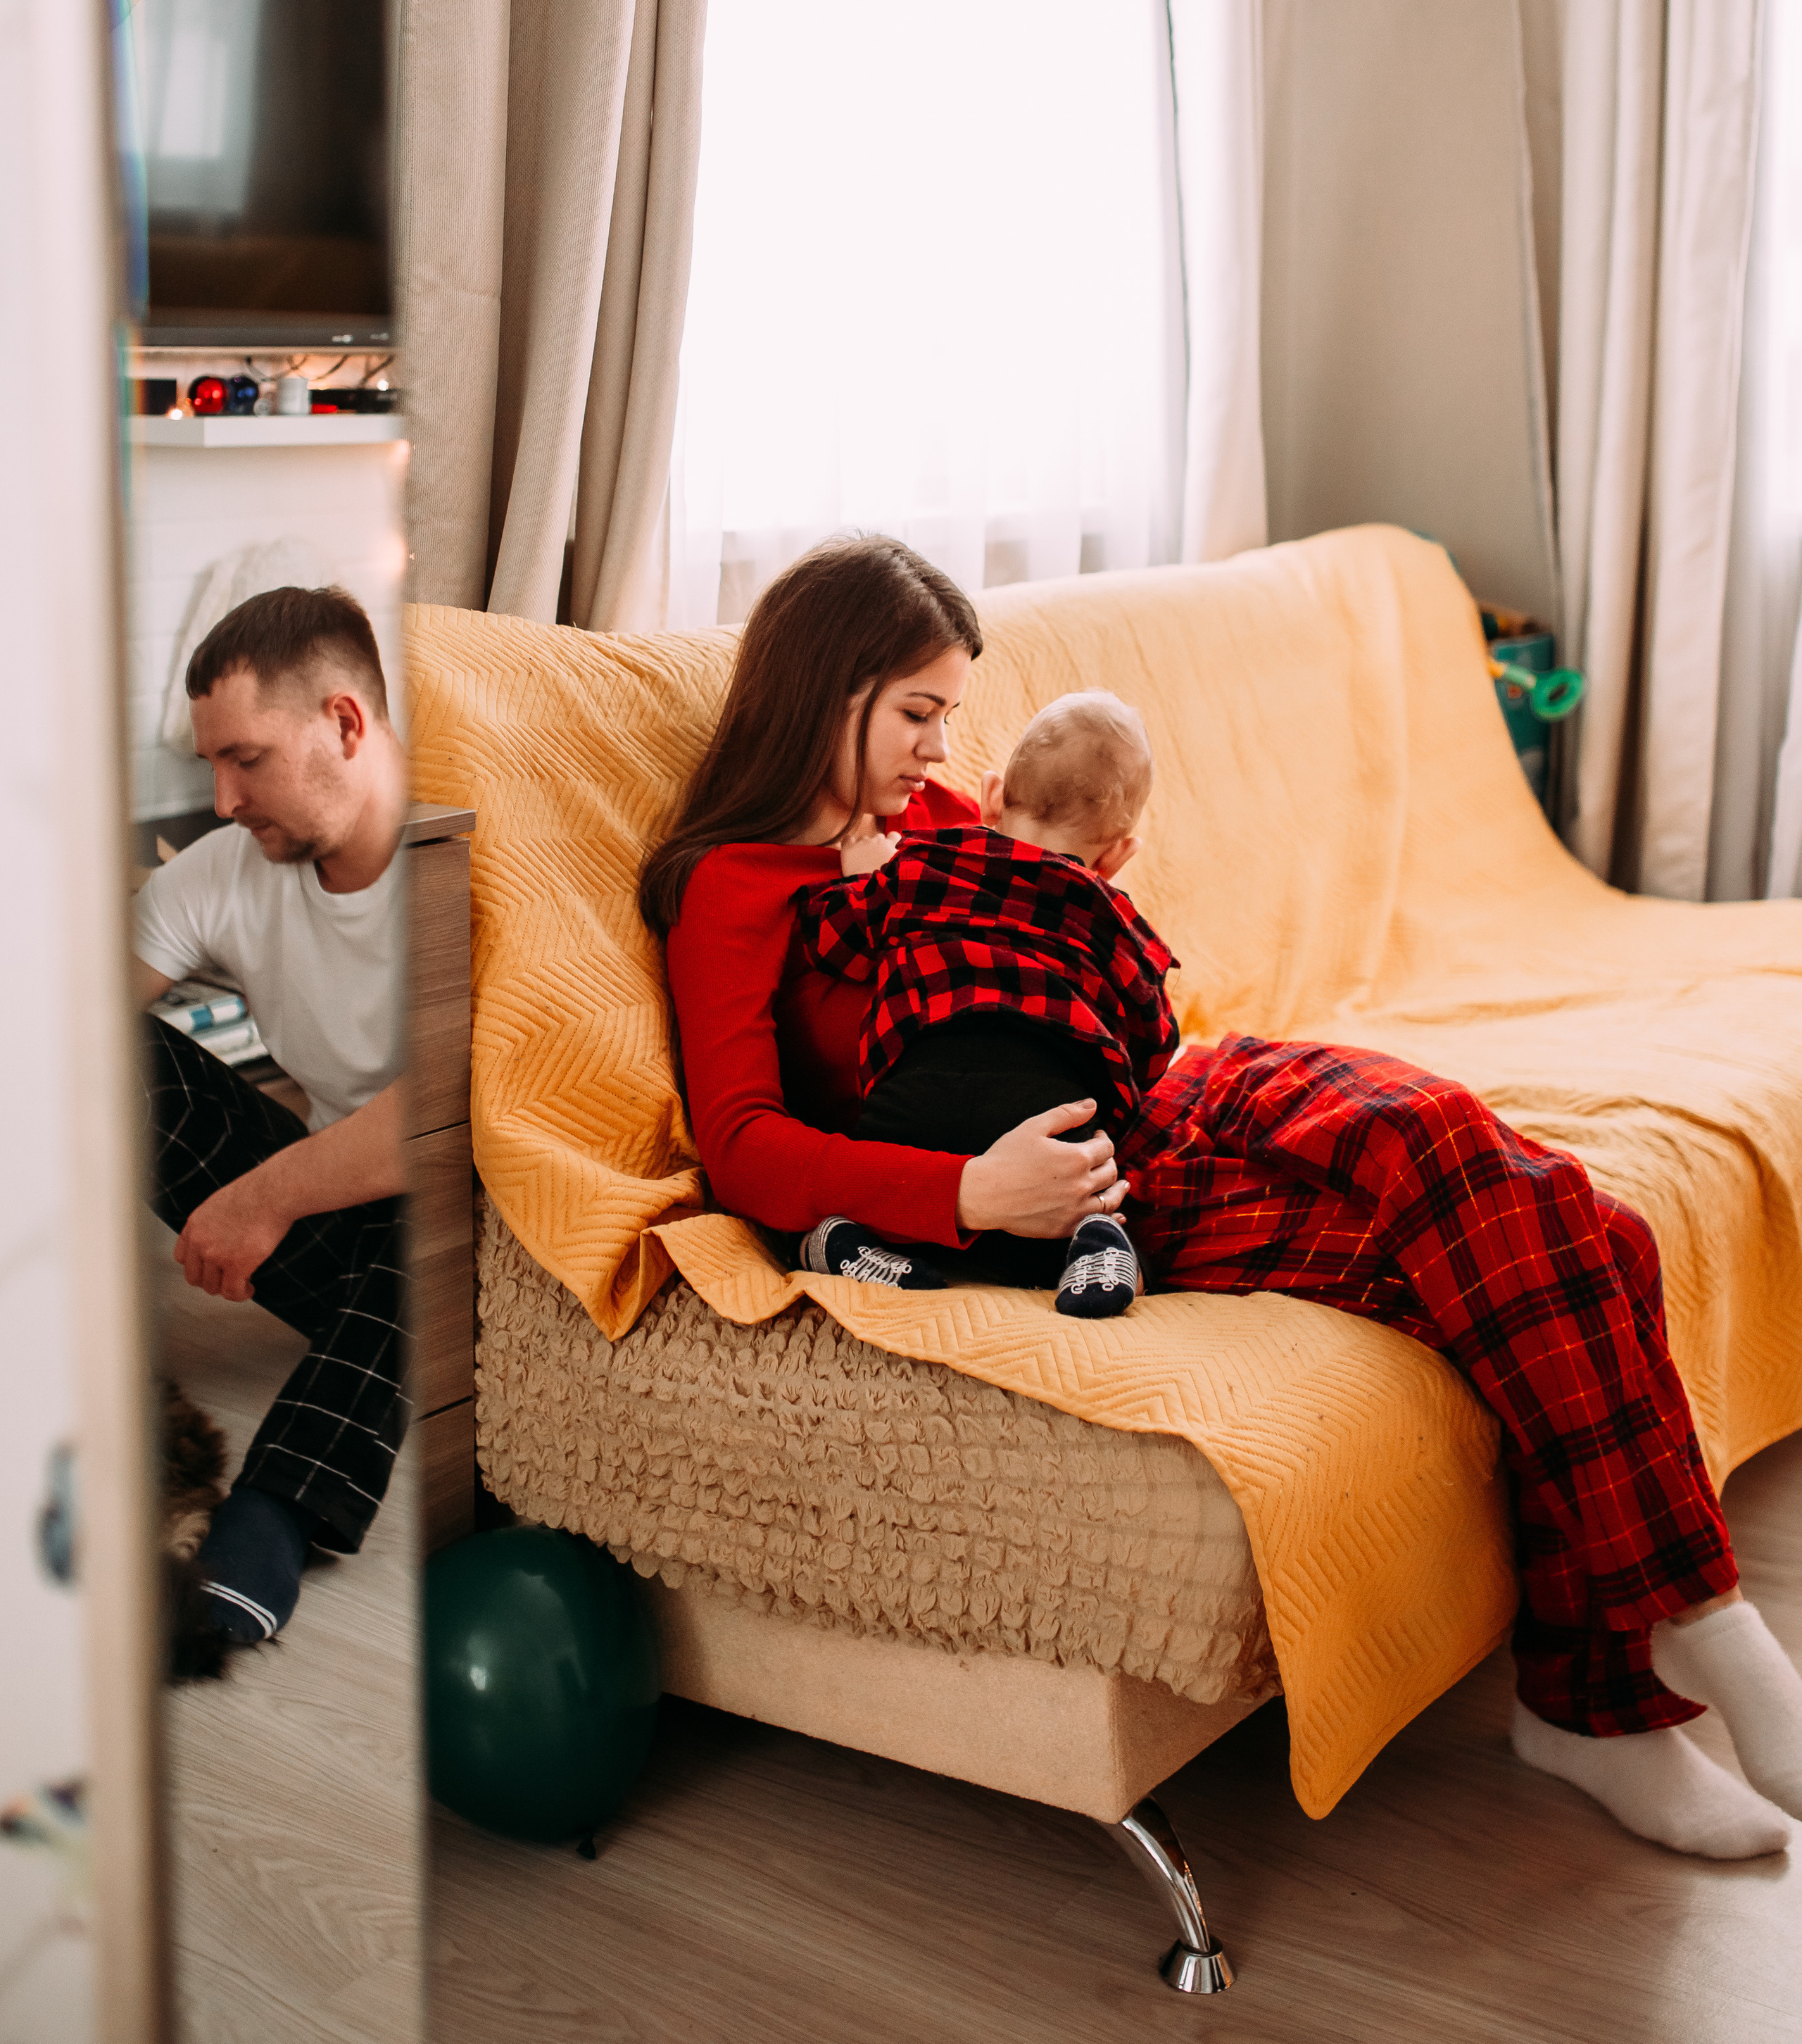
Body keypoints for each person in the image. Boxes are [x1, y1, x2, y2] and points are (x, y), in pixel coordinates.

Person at [641, 533, 1802, 1863]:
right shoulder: (731, 892)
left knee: (1518, 1181)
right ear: (825, 691)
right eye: (917, 715)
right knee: (1568, 1246)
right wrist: (969, 1193)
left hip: (1183, 1082)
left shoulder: (945, 824)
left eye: (950, 717)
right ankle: (1634, 1688)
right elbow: (742, 1147)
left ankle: (1652, 1664)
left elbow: (1071, 921)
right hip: (1094, 1193)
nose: (939, 751)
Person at [132, 585, 408, 1655]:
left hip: (450, 1221)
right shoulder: (227, 871)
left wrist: (258, 1200)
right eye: (212, 764)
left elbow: (457, 1111)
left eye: (244, 759)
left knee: (434, 1190)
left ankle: (282, 1506)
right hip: (333, 1231)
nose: (222, 797)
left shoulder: (462, 859)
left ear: (344, 724)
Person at [794, 689, 1177, 1317]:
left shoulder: (921, 866)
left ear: (993, 795)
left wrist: (859, 878)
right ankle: (1098, 1241)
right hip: (1046, 1110)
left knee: (883, 1183)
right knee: (1086, 1184)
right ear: (1116, 854)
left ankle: (847, 1242)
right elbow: (1155, 1040)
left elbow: (828, 940)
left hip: (912, 1102)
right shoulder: (1115, 920)